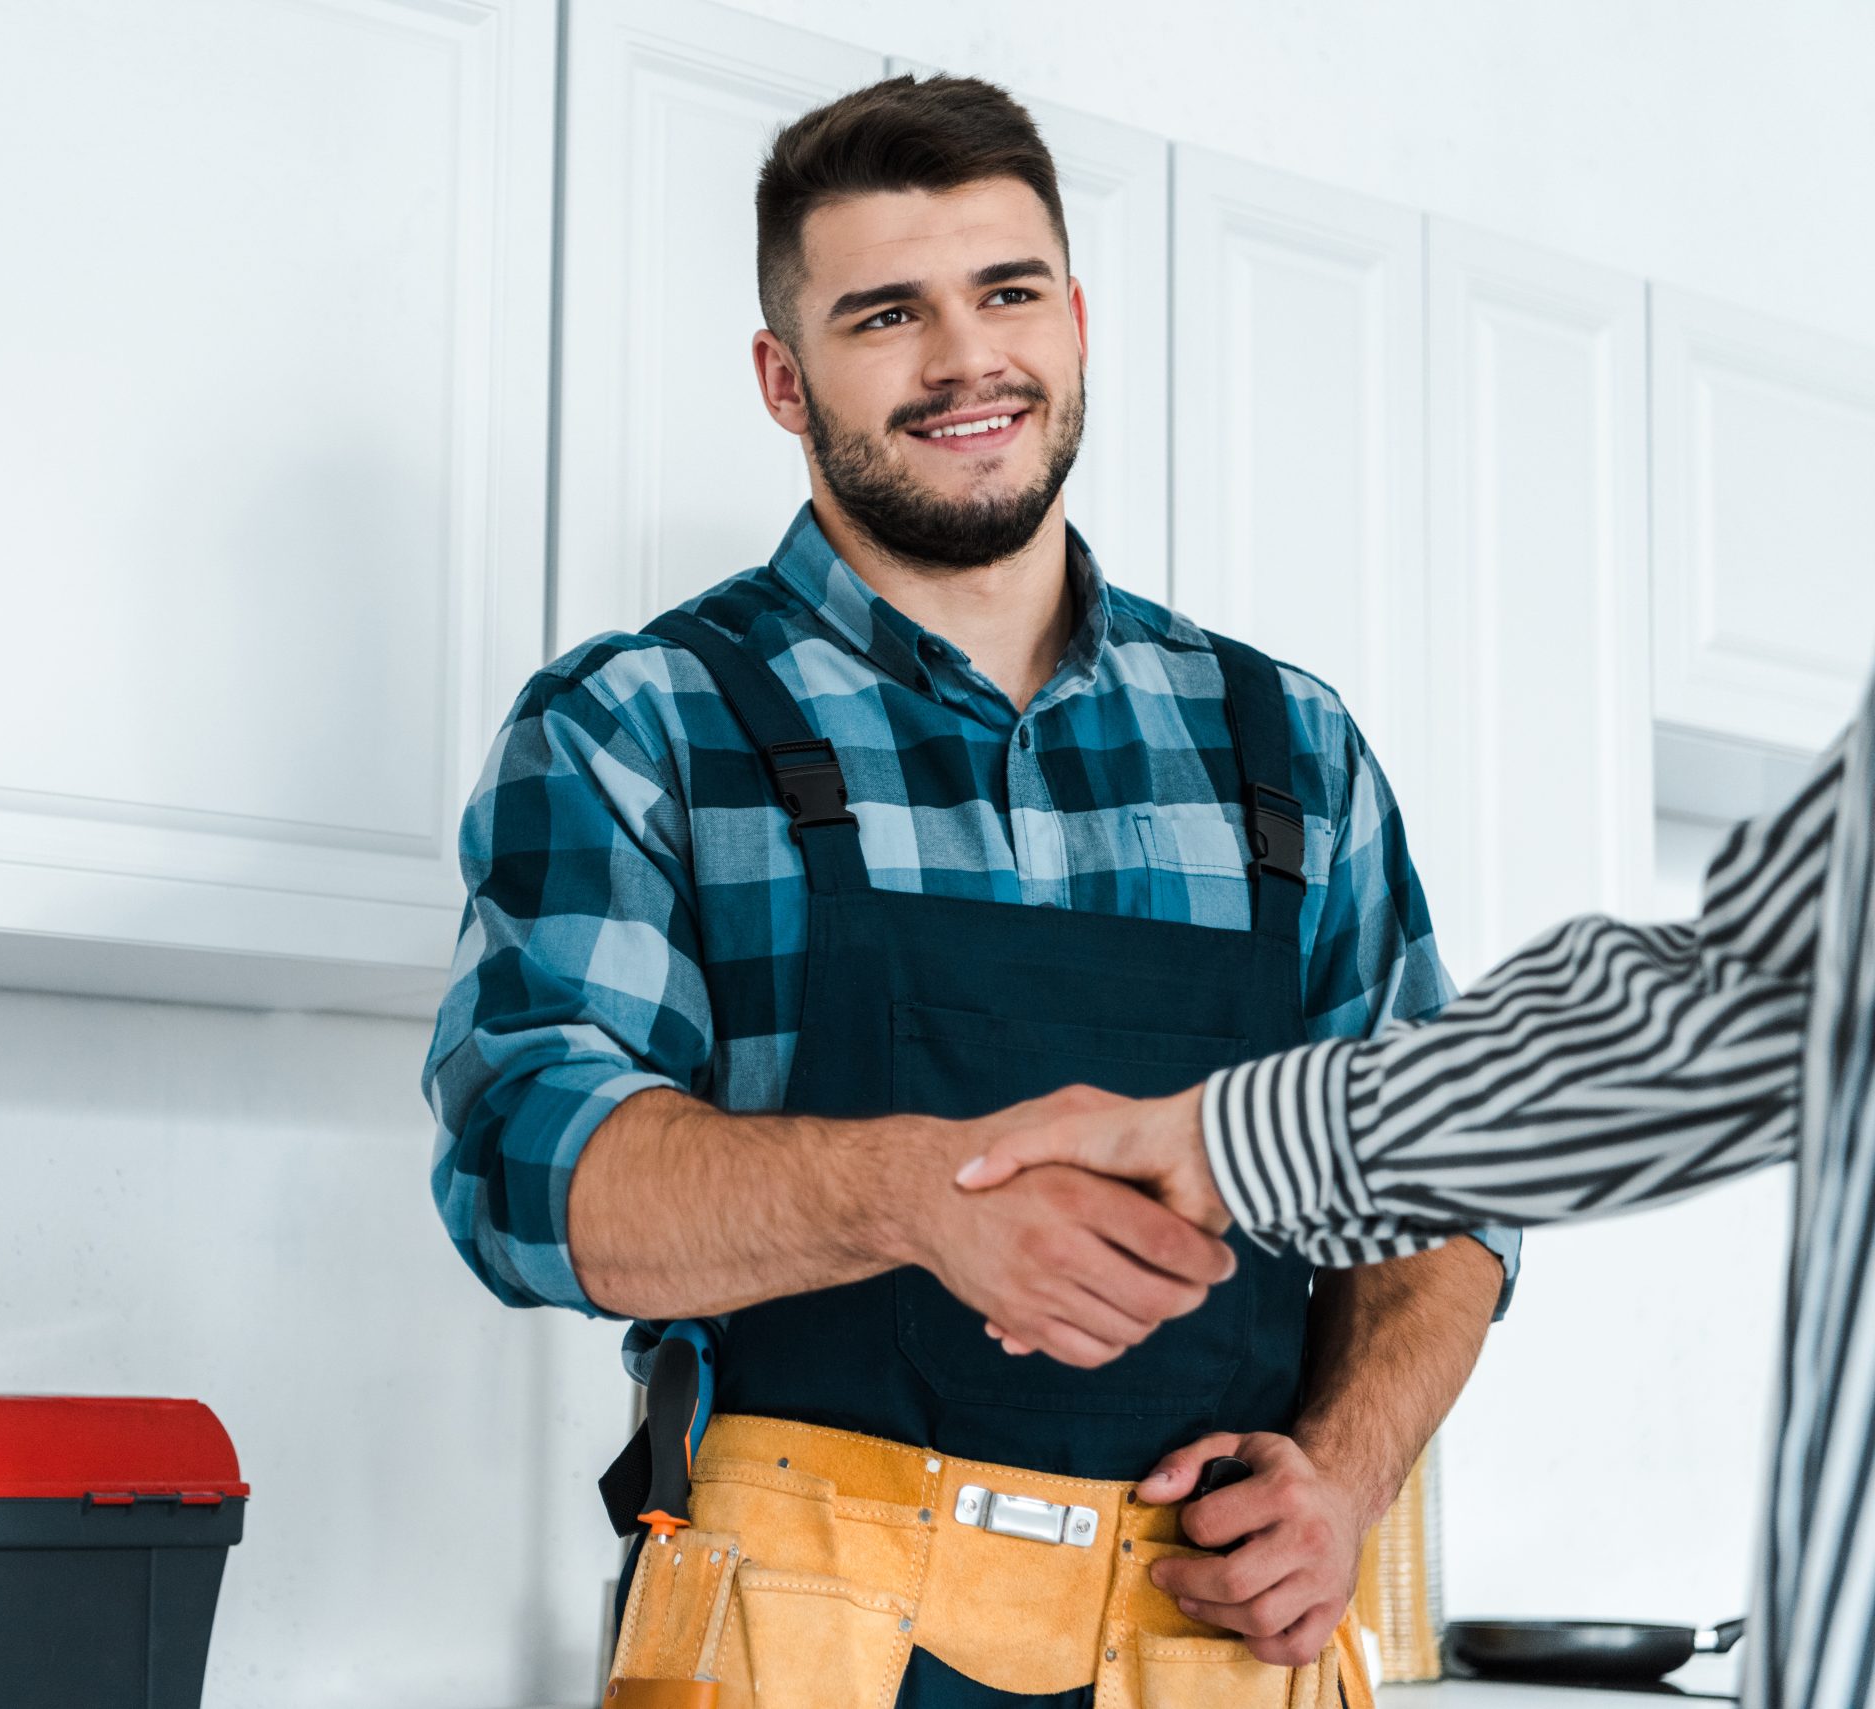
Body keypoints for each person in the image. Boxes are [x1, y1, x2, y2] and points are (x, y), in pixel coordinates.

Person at [423, 75, 1517, 1708]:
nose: (963, 360)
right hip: (803, 1624)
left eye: (1006, 293)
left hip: (1213, 1635)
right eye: (887, 314)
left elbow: (1436, 1188)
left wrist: (1344, 1477)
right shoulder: (642, 724)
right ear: (784, 380)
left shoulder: (1288, 750)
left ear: (1074, 320)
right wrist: (909, 1195)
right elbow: (527, 1165)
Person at [957, 685, 1873, 1709]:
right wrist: (1229, 1142)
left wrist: (1343, 1477)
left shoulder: (1291, 745)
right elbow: (1744, 1000)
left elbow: (1721, 1010)